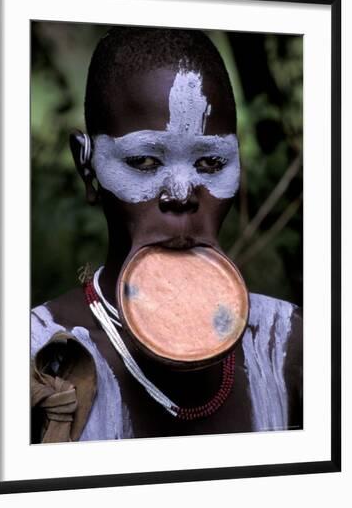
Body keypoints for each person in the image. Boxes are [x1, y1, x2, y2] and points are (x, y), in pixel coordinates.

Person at [30, 26, 303, 443]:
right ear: (87, 166)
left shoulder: (290, 344)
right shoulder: (35, 354)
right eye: (143, 161)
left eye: (211, 162)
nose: (180, 194)